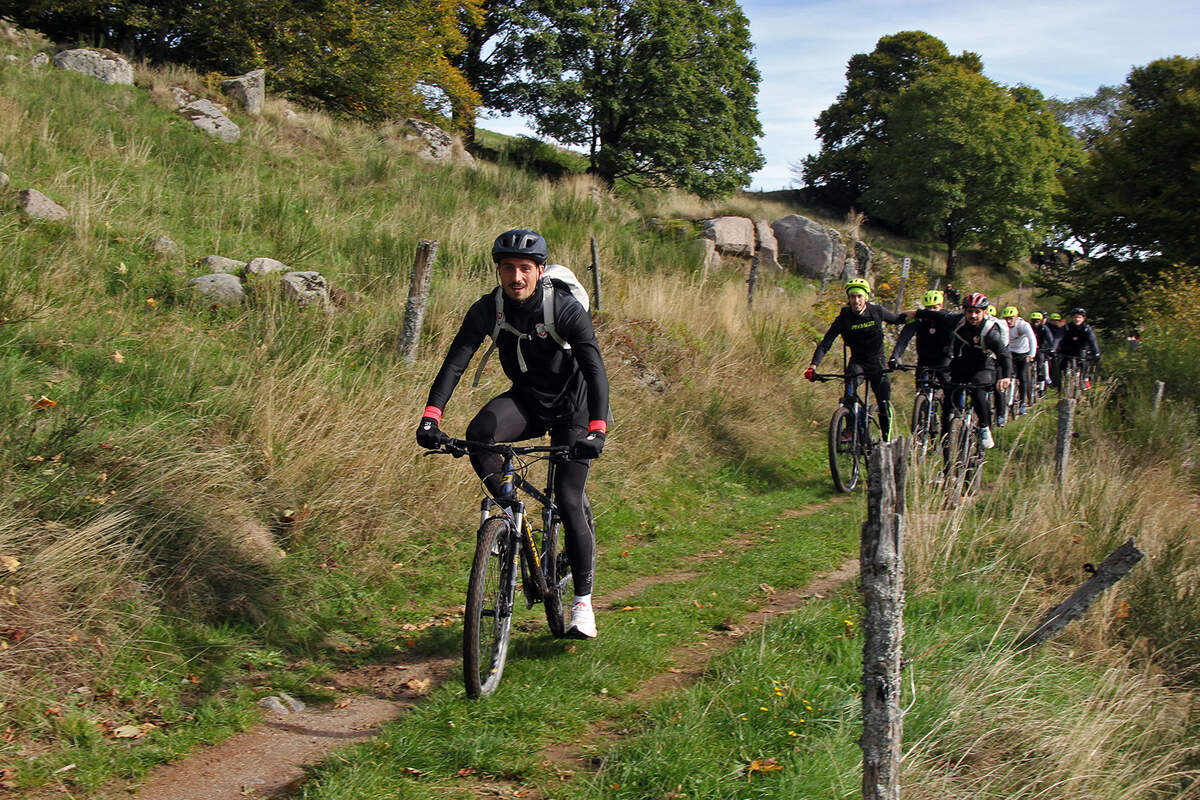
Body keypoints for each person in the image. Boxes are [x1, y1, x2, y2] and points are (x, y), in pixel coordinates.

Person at [415, 229, 610, 640]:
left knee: (568, 499)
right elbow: (455, 363)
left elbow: (594, 368)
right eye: (508, 268)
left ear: (540, 270)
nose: (516, 277)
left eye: (525, 268)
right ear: (498, 270)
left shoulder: (567, 309)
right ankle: (507, 519)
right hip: (527, 402)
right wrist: (432, 417)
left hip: (573, 409)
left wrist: (597, 428)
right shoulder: (489, 309)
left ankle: (582, 605)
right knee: (479, 435)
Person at [804, 278, 905, 440]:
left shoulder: (877, 311)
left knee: (884, 402)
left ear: (866, 298)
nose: (855, 300)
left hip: (877, 363)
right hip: (858, 362)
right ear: (848, 298)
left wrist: (920, 314)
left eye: (859, 296)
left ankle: (886, 440)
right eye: (852, 297)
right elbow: (825, 344)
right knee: (849, 392)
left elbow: (898, 320)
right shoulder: (843, 318)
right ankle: (850, 429)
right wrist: (813, 366)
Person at [911, 292, 1013, 450]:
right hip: (962, 363)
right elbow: (937, 316)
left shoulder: (990, 333)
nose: (973, 315)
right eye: (969, 311)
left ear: (984, 312)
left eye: (977, 312)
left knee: (977, 389)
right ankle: (946, 439)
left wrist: (1006, 376)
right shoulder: (957, 321)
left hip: (983, 365)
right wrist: (916, 313)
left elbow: (1005, 356)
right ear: (964, 311)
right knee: (949, 399)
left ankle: (985, 428)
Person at [889, 289, 953, 387]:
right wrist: (895, 357)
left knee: (947, 385)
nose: (931, 311)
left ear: (941, 306)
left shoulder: (947, 319)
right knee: (920, 386)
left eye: (934, 307)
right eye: (928, 308)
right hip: (924, 359)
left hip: (943, 358)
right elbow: (904, 339)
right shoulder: (919, 320)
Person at [1001, 306, 1037, 414]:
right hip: (1009, 352)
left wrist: (1031, 354)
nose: (1008, 321)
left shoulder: (1023, 325)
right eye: (1006, 318)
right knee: (1007, 375)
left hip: (1023, 353)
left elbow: (1032, 339)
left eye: (1011, 318)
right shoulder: (1002, 325)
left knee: (1022, 376)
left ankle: (1022, 403)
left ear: (1016, 317)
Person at [1056, 307, 1102, 390]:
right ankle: (1061, 386)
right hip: (1067, 351)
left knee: (1084, 362)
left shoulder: (1087, 328)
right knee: (1062, 367)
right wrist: (1053, 348)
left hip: (1081, 351)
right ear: (1072, 318)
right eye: (1075, 317)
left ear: (1083, 319)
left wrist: (1096, 352)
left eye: (1079, 317)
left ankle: (1083, 380)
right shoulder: (1066, 328)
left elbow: (1093, 340)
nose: (1077, 319)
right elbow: (1058, 338)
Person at [1029, 311, 1056, 393]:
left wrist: (1051, 348)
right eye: (1033, 321)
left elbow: (1050, 340)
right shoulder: (1029, 327)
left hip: (1041, 349)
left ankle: (1041, 388)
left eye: (1037, 321)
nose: (1035, 323)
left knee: (1040, 367)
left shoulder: (1044, 328)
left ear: (1040, 321)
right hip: (1030, 349)